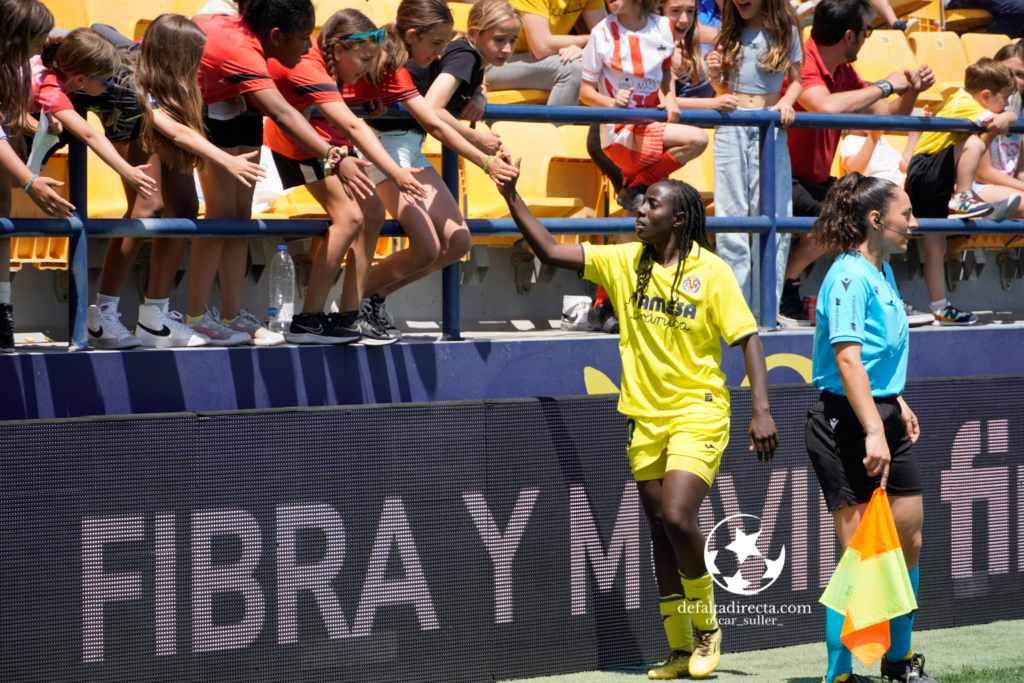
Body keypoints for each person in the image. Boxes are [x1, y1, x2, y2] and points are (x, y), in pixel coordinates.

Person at [496, 168, 779, 680]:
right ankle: (677, 649)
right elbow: (550, 252)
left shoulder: (710, 271)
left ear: (679, 217)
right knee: (658, 532)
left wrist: (761, 409)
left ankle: (707, 629)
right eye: (641, 204)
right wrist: (512, 194)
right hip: (643, 417)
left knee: (676, 516)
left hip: (700, 410)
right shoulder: (624, 261)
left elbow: (748, 338)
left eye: (651, 204)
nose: (640, 211)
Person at [805, 172, 934, 683]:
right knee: (861, 551)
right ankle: (843, 673)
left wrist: (896, 401)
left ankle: (898, 661)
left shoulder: (883, 272)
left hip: (881, 414)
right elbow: (847, 358)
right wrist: (874, 431)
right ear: (877, 220)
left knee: (908, 539)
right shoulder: (847, 276)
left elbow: (880, 355)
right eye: (907, 214)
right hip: (843, 422)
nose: (914, 223)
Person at [79, 17, 267, 349]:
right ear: (174, 57)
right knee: (148, 205)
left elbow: (102, 27)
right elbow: (175, 131)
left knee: (185, 207)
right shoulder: (130, 79)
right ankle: (102, 315)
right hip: (128, 117)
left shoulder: (155, 71)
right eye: (193, 58)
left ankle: (155, 315)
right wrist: (225, 159)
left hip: (153, 115)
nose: (199, 66)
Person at [342, 0, 518, 341]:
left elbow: (439, 101)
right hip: (379, 150)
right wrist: (483, 157)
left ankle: (373, 298)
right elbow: (433, 118)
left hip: (412, 150)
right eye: (437, 44)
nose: (441, 54)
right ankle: (351, 305)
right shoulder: (385, 56)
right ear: (412, 35)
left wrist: (480, 91)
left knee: (458, 240)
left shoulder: (429, 58)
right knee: (425, 247)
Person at [188, 0, 351, 346]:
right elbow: (282, 114)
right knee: (219, 216)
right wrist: (335, 156)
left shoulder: (256, 44)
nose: (309, 47)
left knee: (238, 218)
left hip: (232, 103)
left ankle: (233, 315)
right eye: (305, 37)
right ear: (276, 35)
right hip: (192, 106)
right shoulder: (241, 48)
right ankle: (197, 317)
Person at [265, 9, 429, 345]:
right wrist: (395, 172)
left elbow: (349, 104)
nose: (369, 69)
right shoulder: (309, 64)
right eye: (365, 60)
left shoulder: (335, 61)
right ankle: (308, 321)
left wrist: (370, 97)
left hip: (329, 146)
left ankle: (348, 314)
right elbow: (353, 125)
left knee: (372, 212)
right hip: (297, 146)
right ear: (338, 50)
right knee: (350, 216)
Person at [781, 0, 935, 324]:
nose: (867, 38)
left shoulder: (843, 70)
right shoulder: (804, 59)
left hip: (816, 179)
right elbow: (825, 106)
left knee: (870, 209)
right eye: (868, 31)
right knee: (842, 212)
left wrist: (911, 92)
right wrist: (885, 86)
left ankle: (879, 293)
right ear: (850, 36)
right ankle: (785, 288)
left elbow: (888, 114)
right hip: (781, 175)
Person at [905, 58, 1021, 325]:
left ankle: (939, 306)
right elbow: (994, 123)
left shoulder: (971, 103)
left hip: (934, 182)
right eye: (1004, 99)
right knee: (974, 142)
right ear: (986, 95)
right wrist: (1009, 116)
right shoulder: (962, 103)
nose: (1006, 105)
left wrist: (1008, 115)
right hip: (925, 171)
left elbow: (1001, 118)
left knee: (937, 247)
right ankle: (963, 197)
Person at [708, 0, 803, 321]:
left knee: (775, 220)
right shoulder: (727, 33)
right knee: (731, 223)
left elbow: (797, 82)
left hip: (770, 132)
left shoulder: (787, 32)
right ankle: (738, 315)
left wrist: (787, 102)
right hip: (731, 130)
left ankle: (766, 311)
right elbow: (720, 89)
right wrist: (714, 74)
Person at [0, 0, 76, 354]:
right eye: (35, 41)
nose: (40, 49)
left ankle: (2, 312)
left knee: (1, 203)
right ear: (14, 37)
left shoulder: (14, 59)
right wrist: (29, 182)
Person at [580, 0, 709, 209]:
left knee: (645, 213)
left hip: (651, 126)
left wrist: (670, 98)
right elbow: (585, 92)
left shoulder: (663, 26)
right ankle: (636, 184)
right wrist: (612, 102)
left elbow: (666, 71)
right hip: (619, 134)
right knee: (697, 139)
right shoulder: (600, 32)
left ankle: (634, 187)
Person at [484, 0, 608, 106]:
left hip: (540, 64)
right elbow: (541, 47)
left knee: (602, 64)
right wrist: (590, 41)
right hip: (495, 63)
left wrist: (586, 50)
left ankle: (607, 131)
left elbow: (608, 38)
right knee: (572, 68)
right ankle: (554, 132)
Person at [971, 42, 1024, 218]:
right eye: (1008, 72)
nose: (1014, 80)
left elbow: (1019, 171)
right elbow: (982, 173)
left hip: (1008, 187)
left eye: (1020, 75)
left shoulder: (1021, 114)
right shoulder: (983, 109)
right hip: (977, 186)